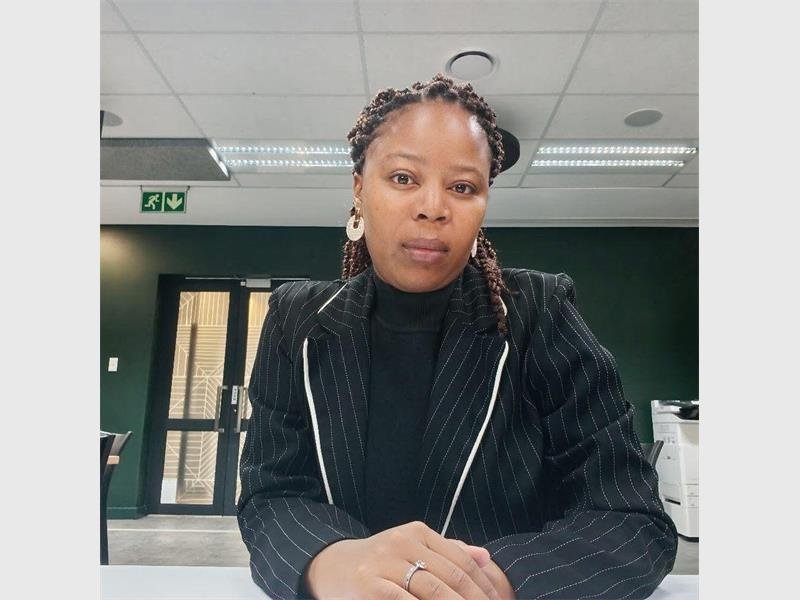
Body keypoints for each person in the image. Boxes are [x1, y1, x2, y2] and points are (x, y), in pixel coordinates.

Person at [237, 73, 678, 599]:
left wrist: (484, 585)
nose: (433, 207)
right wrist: (333, 564)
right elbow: (271, 494)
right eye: (403, 178)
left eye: (463, 187)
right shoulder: (296, 319)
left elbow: (630, 516)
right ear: (359, 187)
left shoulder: (540, 313)